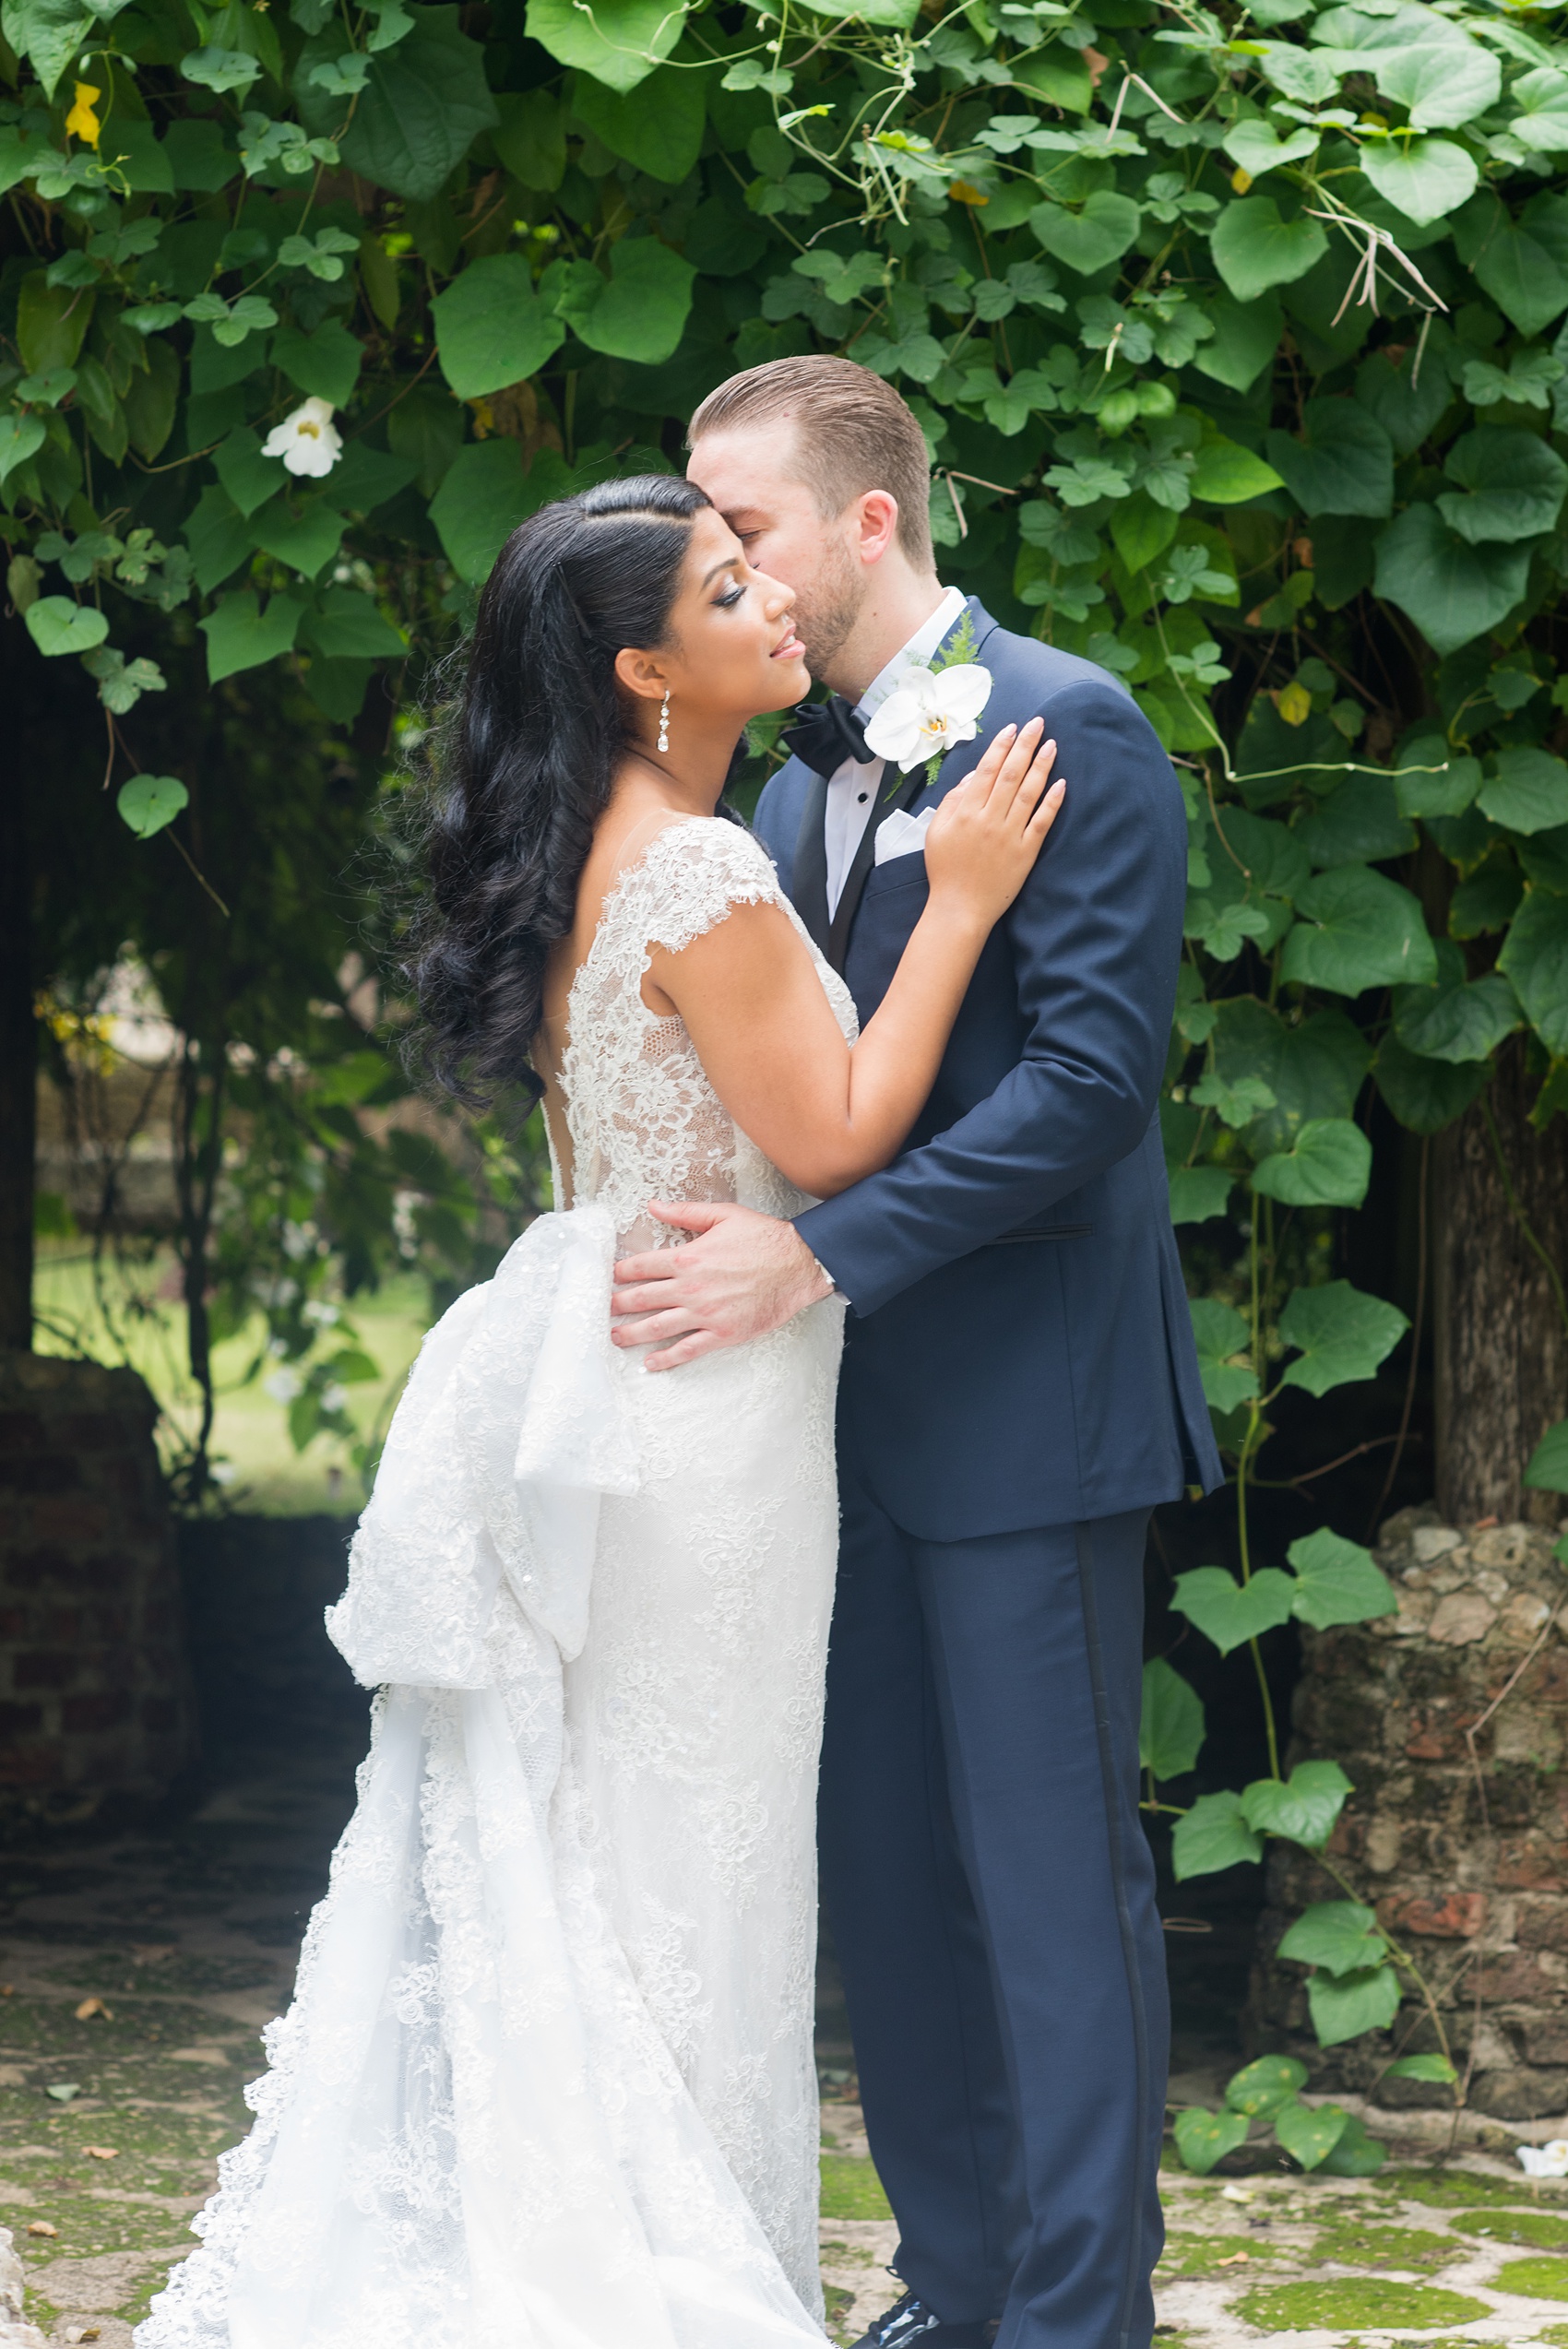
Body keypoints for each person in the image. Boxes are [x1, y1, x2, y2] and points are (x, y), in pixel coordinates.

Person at [134, 472, 1061, 2349]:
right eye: (731, 590)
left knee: (621, 1834)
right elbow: (829, 1131)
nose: (774, 603)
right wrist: (958, 902)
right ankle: (657, 2274)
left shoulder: (603, 838)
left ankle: (613, 2229)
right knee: (691, 1858)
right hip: (702, 1417)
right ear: (647, 666)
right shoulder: (704, 865)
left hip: (637, 1372)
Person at [608, 359, 1223, 2349]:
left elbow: (1085, 1089)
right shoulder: (791, 783)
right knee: (881, 1871)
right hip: (833, 1437)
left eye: (749, 524)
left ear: (869, 520)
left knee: (1050, 1897)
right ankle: (953, 2279)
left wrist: (813, 1265)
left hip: (1029, 1407)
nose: (732, 563)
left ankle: (1075, 2313)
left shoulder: (1073, 726)